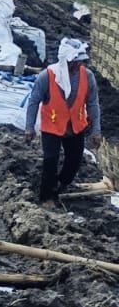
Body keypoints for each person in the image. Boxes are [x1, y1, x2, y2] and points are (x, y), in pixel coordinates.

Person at [23, 38, 105, 202]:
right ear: (66, 61)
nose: (79, 65)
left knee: (74, 161)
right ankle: (46, 197)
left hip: (75, 126)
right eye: (76, 62)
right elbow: (33, 101)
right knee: (50, 160)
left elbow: (93, 103)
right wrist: (29, 127)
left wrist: (96, 130)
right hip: (52, 125)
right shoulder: (47, 76)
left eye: (81, 62)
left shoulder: (87, 76)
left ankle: (62, 184)